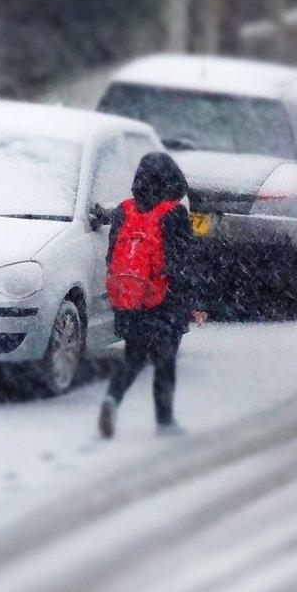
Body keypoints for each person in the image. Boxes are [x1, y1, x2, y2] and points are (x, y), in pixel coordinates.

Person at [89, 152, 205, 438]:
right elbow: (183, 262)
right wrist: (193, 302)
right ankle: (164, 420)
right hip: (164, 300)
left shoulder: (124, 210)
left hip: (130, 299)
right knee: (165, 362)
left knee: (133, 357)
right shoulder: (173, 214)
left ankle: (111, 400)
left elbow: (111, 256)